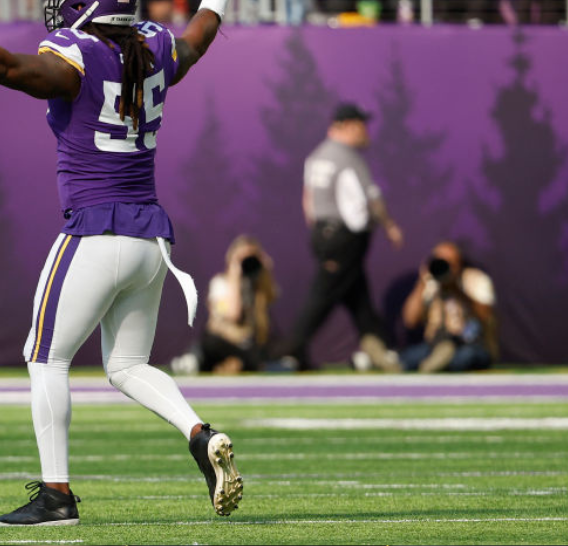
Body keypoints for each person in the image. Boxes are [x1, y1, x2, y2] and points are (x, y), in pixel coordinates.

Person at [0, 0, 242, 524]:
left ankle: (58, 494)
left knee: (44, 357)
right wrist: (215, 0)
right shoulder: (154, 45)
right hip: (152, 238)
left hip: (95, 231)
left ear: (86, 4)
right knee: (127, 365)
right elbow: (196, 43)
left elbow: (9, 70)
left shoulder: (77, 57)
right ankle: (200, 434)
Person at [286, 103, 404, 372]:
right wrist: (389, 226)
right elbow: (371, 198)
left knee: (358, 297)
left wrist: (318, 232)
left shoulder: (317, 155)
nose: (365, 131)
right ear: (346, 126)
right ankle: (288, 352)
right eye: (360, 125)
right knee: (322, 297)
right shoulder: (347, 157)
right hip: (344, 237)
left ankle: (378, 347)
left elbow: (308, 199)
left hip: (324, 232)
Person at [171, 235, 279, 375]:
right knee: (209, 341)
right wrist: (235, 276)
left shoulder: (257, 286)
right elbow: (232, 315)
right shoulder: (220, 283)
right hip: (226, 342)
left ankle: (233, 364)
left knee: (270, 350)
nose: (246, 262)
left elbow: (264, 318)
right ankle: (205, 361)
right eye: (242, 259)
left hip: (249, 346)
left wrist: (265, 272)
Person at [397, 241, 497, 372]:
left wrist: (457, 289)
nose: (445, 267)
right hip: (435, 345)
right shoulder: (429, 283)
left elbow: (486, 316)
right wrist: (421, 284)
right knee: (405, 359)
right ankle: (439, 360)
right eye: (441, 262)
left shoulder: (475, 279)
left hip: (468, 343)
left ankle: (437, 362)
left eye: (450, 263)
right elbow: (410, 321)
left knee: (464, 358)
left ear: (459, 263)